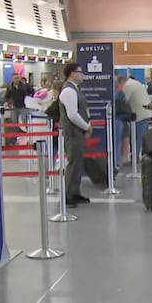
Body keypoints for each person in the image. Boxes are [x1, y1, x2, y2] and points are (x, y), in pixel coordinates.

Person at [59, 63, 93, 208]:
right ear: (72, 73)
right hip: (73, 133)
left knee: (78, 163)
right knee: (74, 163)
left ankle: (75, 191)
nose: (82, 75)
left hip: (77, 132)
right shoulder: (68, 91)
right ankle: (68, 194)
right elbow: (72, 114)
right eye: (80, 72)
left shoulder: (75, 90)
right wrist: (86, 127)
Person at [123, 74, 152, 162]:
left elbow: (123, 99)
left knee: (136, 138)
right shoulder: (133, 83)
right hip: (145, 112)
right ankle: (145, 157)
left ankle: (134, 159)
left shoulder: (127, 85)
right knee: (143, 137)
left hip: (140, 114)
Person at [113, 76, 134, 173]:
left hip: (116, 118)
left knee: (118, 141)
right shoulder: (120, 92)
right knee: (123, 139)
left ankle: (118, 161)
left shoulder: (116, 92)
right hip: (121, 118)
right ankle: (120, 160)